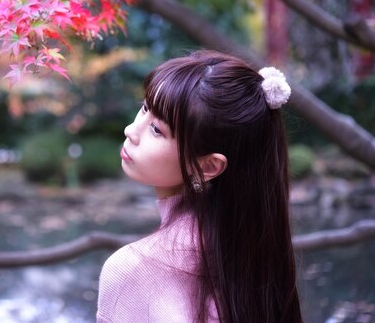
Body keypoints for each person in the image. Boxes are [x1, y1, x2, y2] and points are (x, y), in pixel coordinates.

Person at [96, 50, 303, 323]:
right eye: (145, 108)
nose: (131, 131)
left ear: (208, 167)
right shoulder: (255, 259)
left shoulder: (133, 269)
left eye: (157, 129)